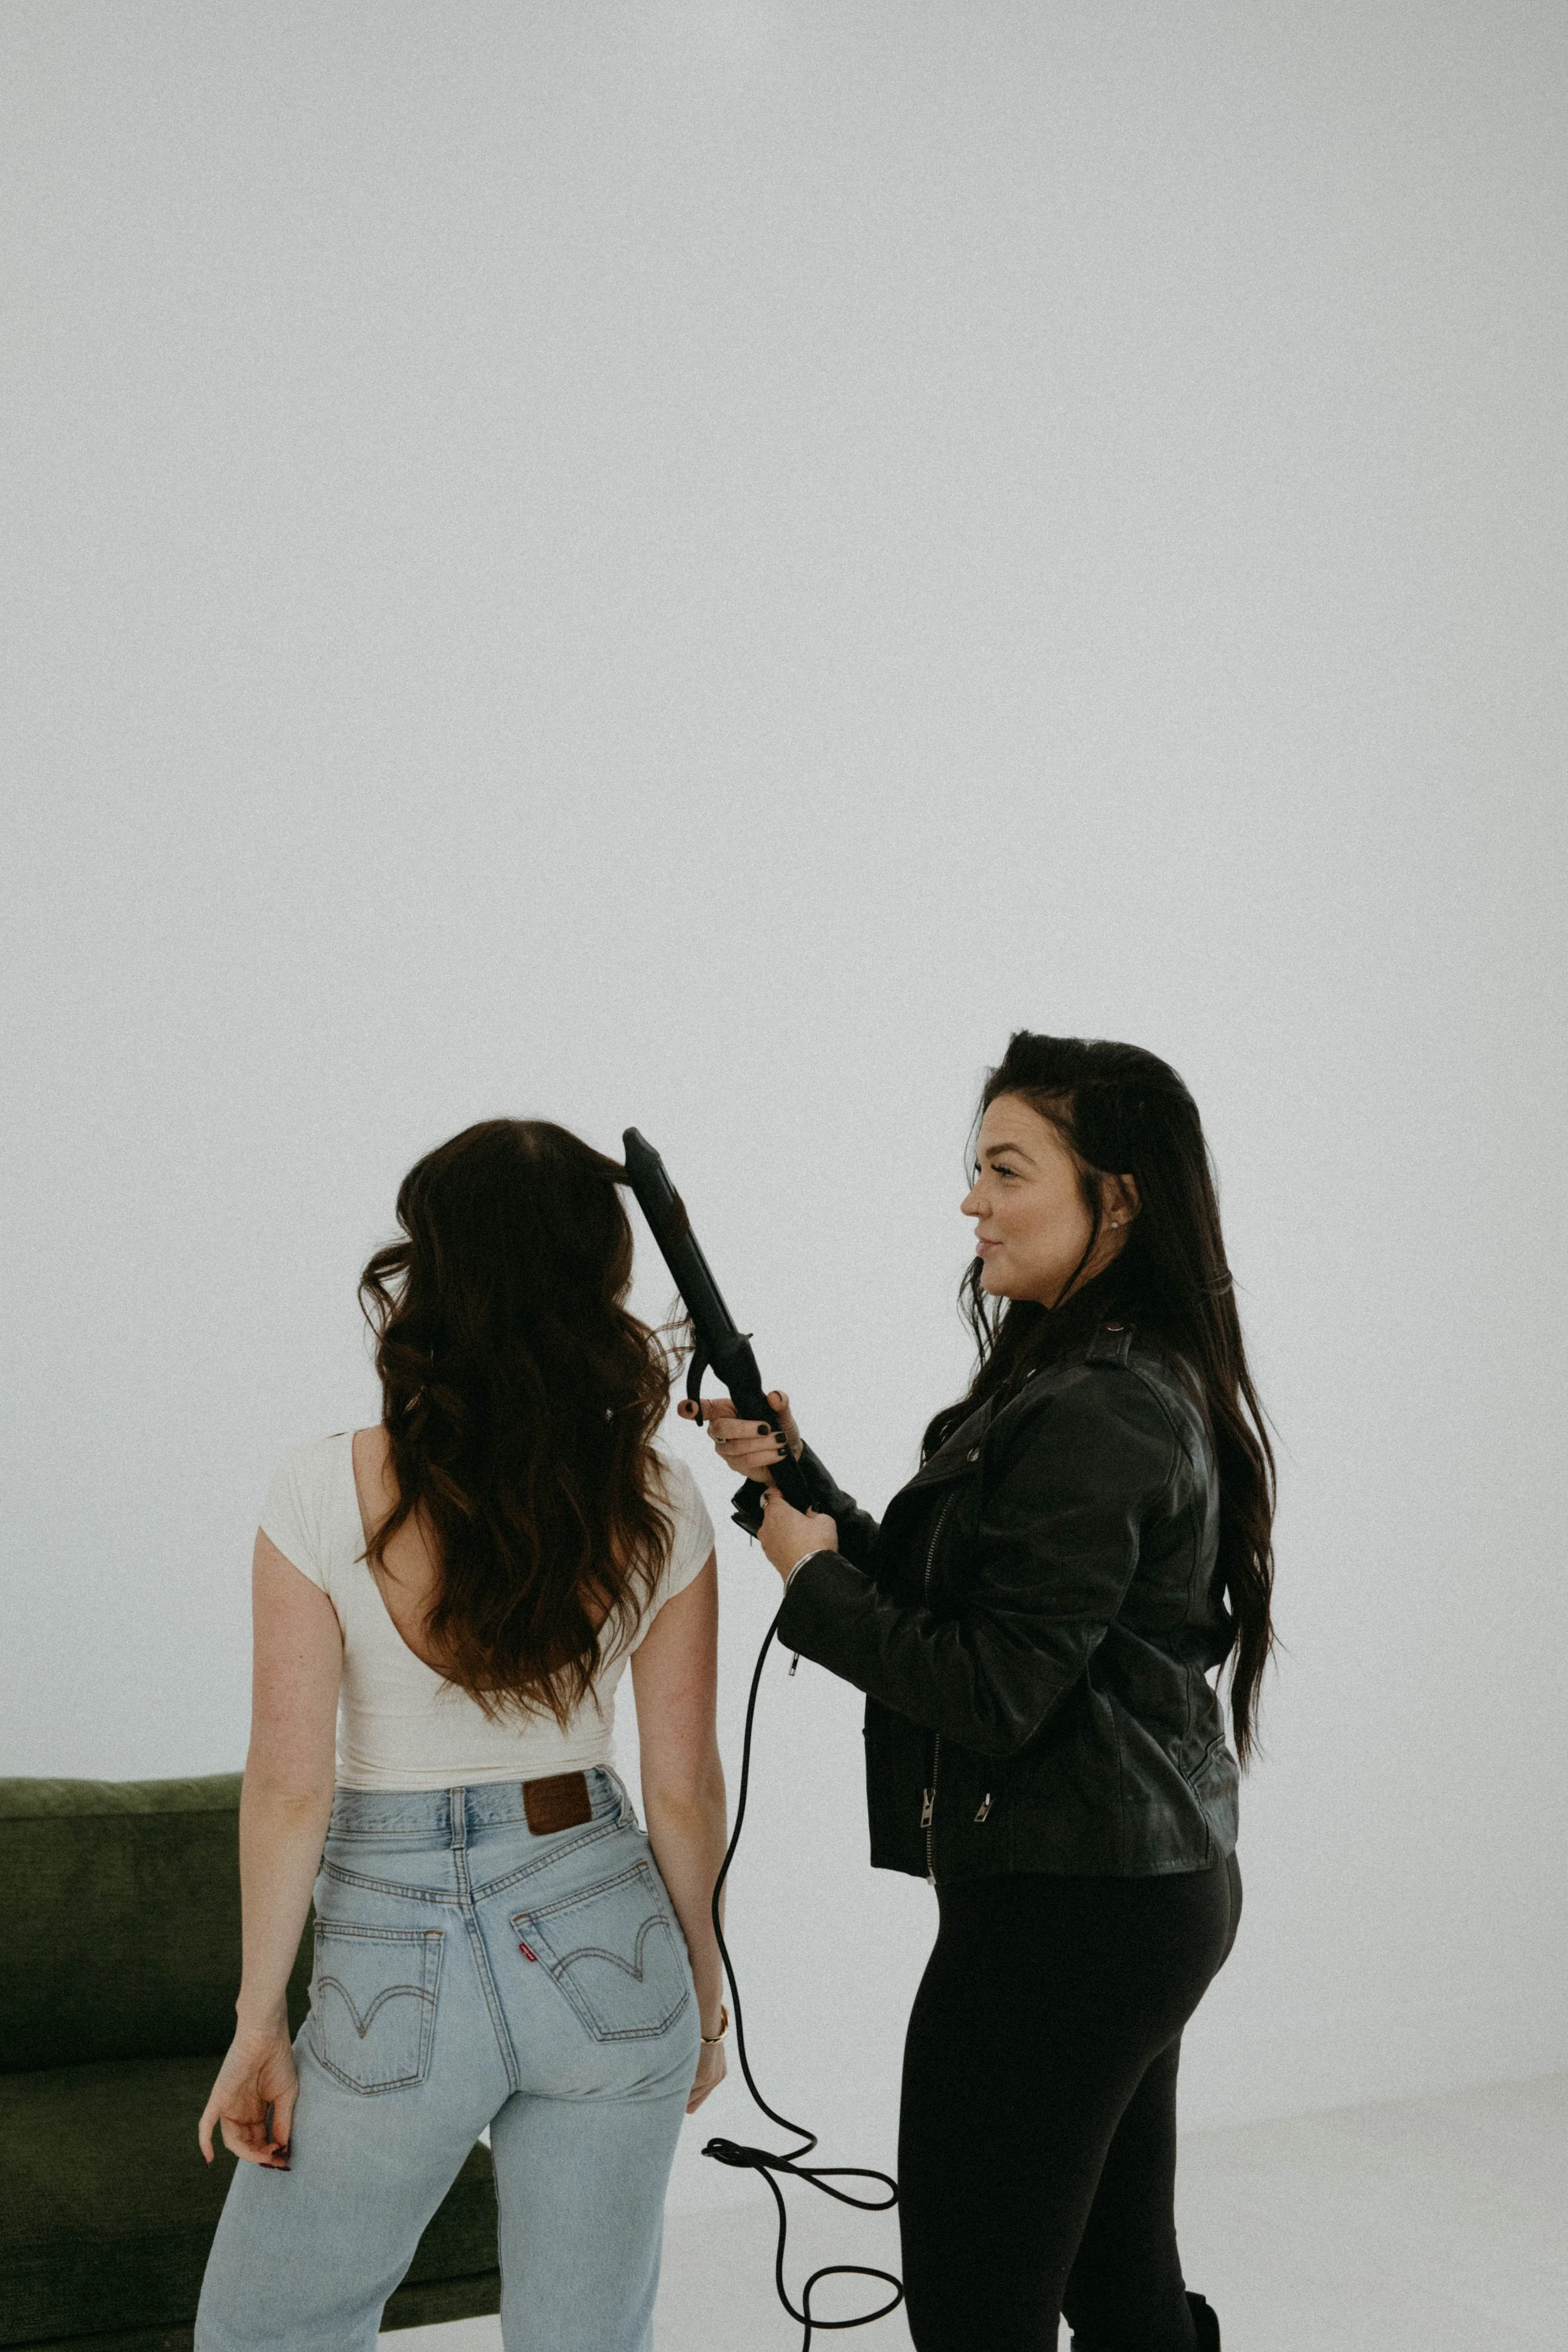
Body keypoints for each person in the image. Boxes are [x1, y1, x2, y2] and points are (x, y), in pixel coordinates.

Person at [682, 1032, 1274, 2352]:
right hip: (1128, 1893)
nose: (972, 1202)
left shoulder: (1103, 1404)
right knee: (1117, 2287)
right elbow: (979, 1601)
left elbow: (995, 1687)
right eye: (976, 1168)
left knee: (974, 2314)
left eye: (1007, 1170)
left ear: (1116, 1199)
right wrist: (799, 1487)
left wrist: (808, 1577)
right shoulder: (1082, 1370)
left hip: (1072, 1920)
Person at [196, 1119, 730, 2352]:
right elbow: (683, 1787)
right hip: (607, 1928)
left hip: (394, 1950)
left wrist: (259, 2020)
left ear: (432, 1269)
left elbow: (288, 1786)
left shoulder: (321, 1487)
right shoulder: (655, 1493)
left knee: (268, 2332)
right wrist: (701, 1986)